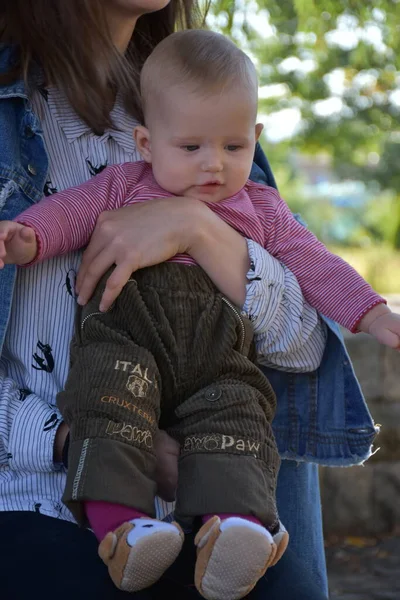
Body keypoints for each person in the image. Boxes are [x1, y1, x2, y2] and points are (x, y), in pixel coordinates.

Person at [1, 27, 394, 600]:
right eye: (191, 149)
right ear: (145, 143)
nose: (213, 165)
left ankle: (234, 531)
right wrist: (28, 239)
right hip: (124, 340)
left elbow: (317, 271)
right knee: (112, 402)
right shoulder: (121, 185)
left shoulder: (257, 204)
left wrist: (373, 313)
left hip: (216, 356)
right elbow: (66, 216)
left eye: (233, 148)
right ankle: (123, 527)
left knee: (236, 415)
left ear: (252, 137)